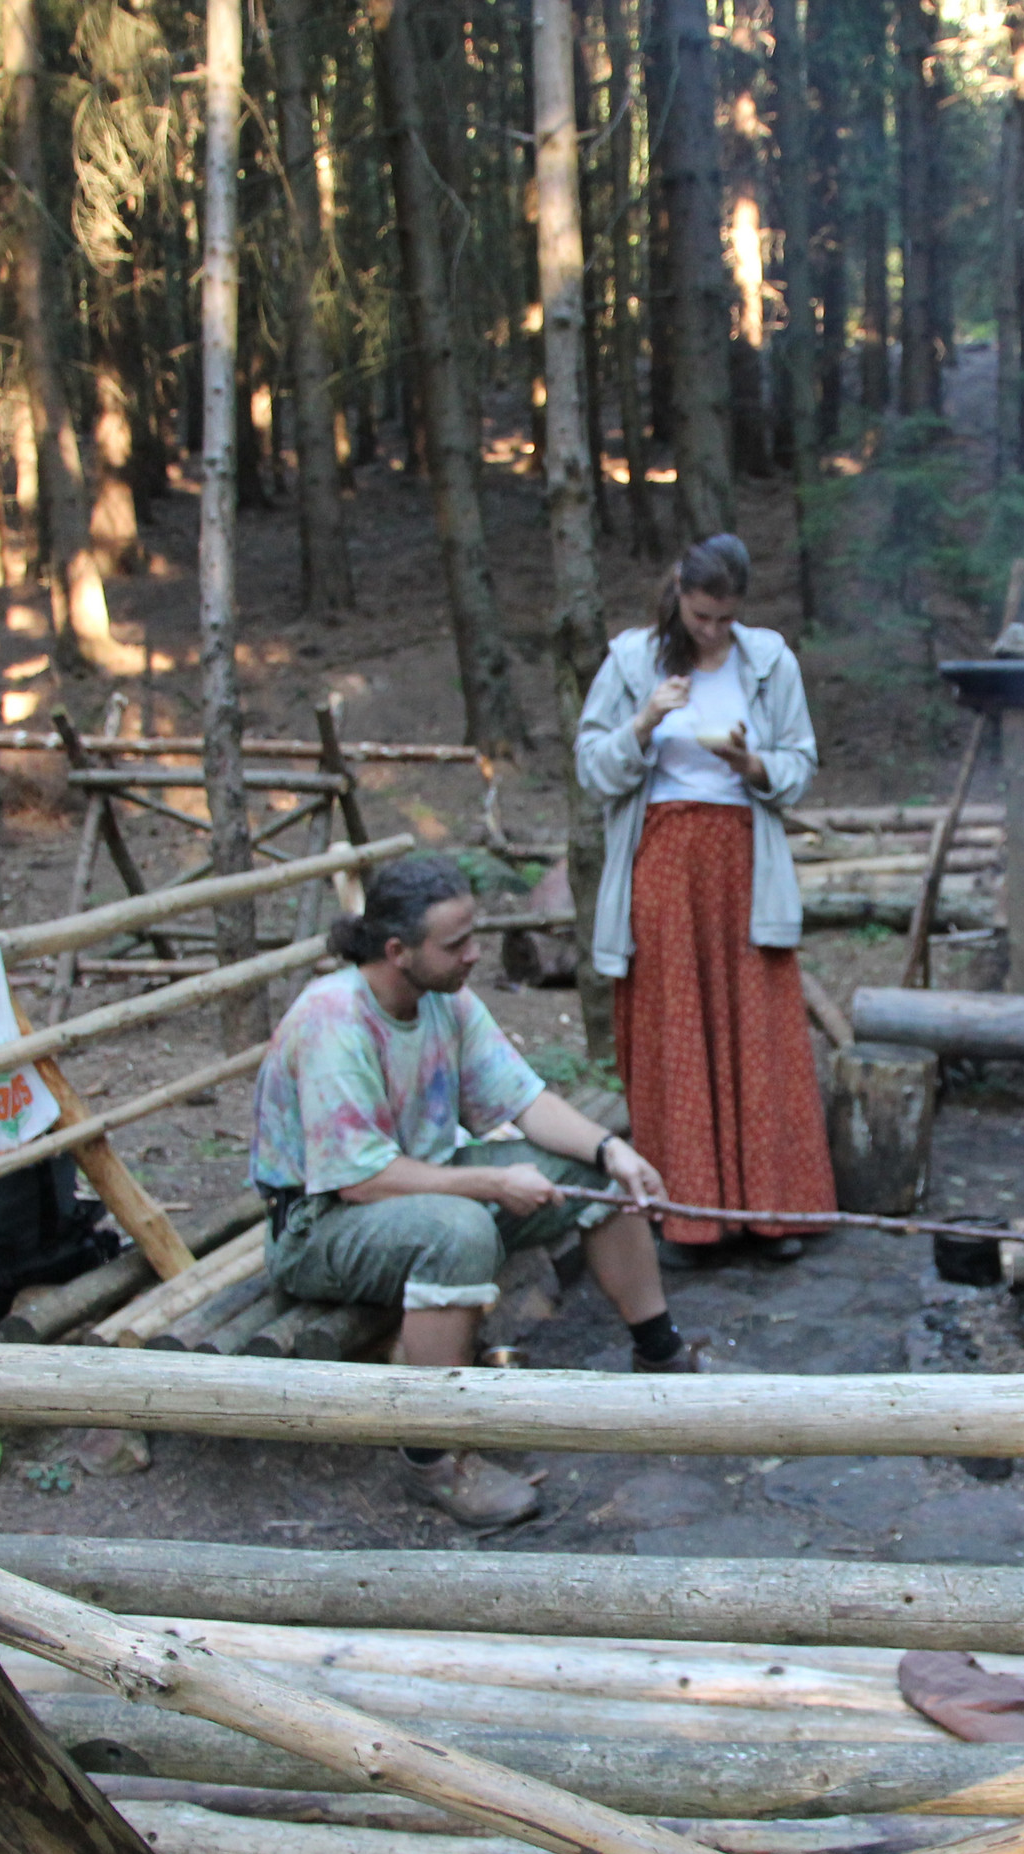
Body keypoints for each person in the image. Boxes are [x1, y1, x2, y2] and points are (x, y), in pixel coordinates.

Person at [252, 855, 717, 1531]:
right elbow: (359, 1180)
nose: (474, 954)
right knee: (460, 1230)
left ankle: (661, 1352)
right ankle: (433, 1459)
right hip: (317, 1227)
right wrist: (494, 1182)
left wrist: (609, 1150)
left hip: (416, 1188)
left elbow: (522, 1100)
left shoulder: (446, 999)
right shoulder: (333, 1020)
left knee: (592, 1178)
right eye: (456, 943)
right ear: (397, 951)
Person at [574, 532, 836, 1264]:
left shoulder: (769, 661)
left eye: (725, 618)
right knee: (677, 1030)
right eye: (700, 617)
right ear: (679, 596)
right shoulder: (633, 661)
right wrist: (643, 722)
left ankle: (772, 1212)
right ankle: (688, 1218)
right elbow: (593, 769)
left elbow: (799, 762)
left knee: (759, 1030)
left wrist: (751, 763)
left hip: (745, 864)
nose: (714, 631)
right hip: (663, 862)